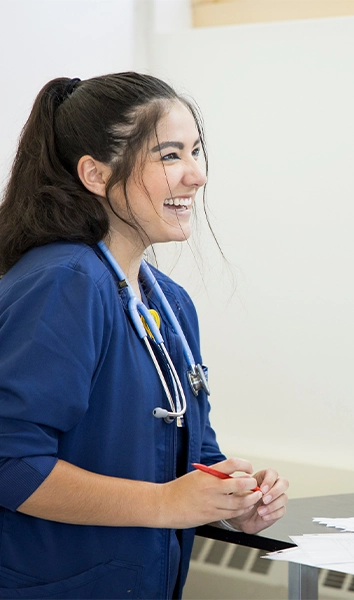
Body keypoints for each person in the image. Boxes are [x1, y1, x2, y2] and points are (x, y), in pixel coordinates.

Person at [0, 73, 288, 599]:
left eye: (196, 152)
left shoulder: (169, 302)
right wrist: (166, 504)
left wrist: (232, 492)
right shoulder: (65, 282)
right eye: (170, 155)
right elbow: (10, 465)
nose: (196, 176)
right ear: (94, 173)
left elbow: (191, 448)